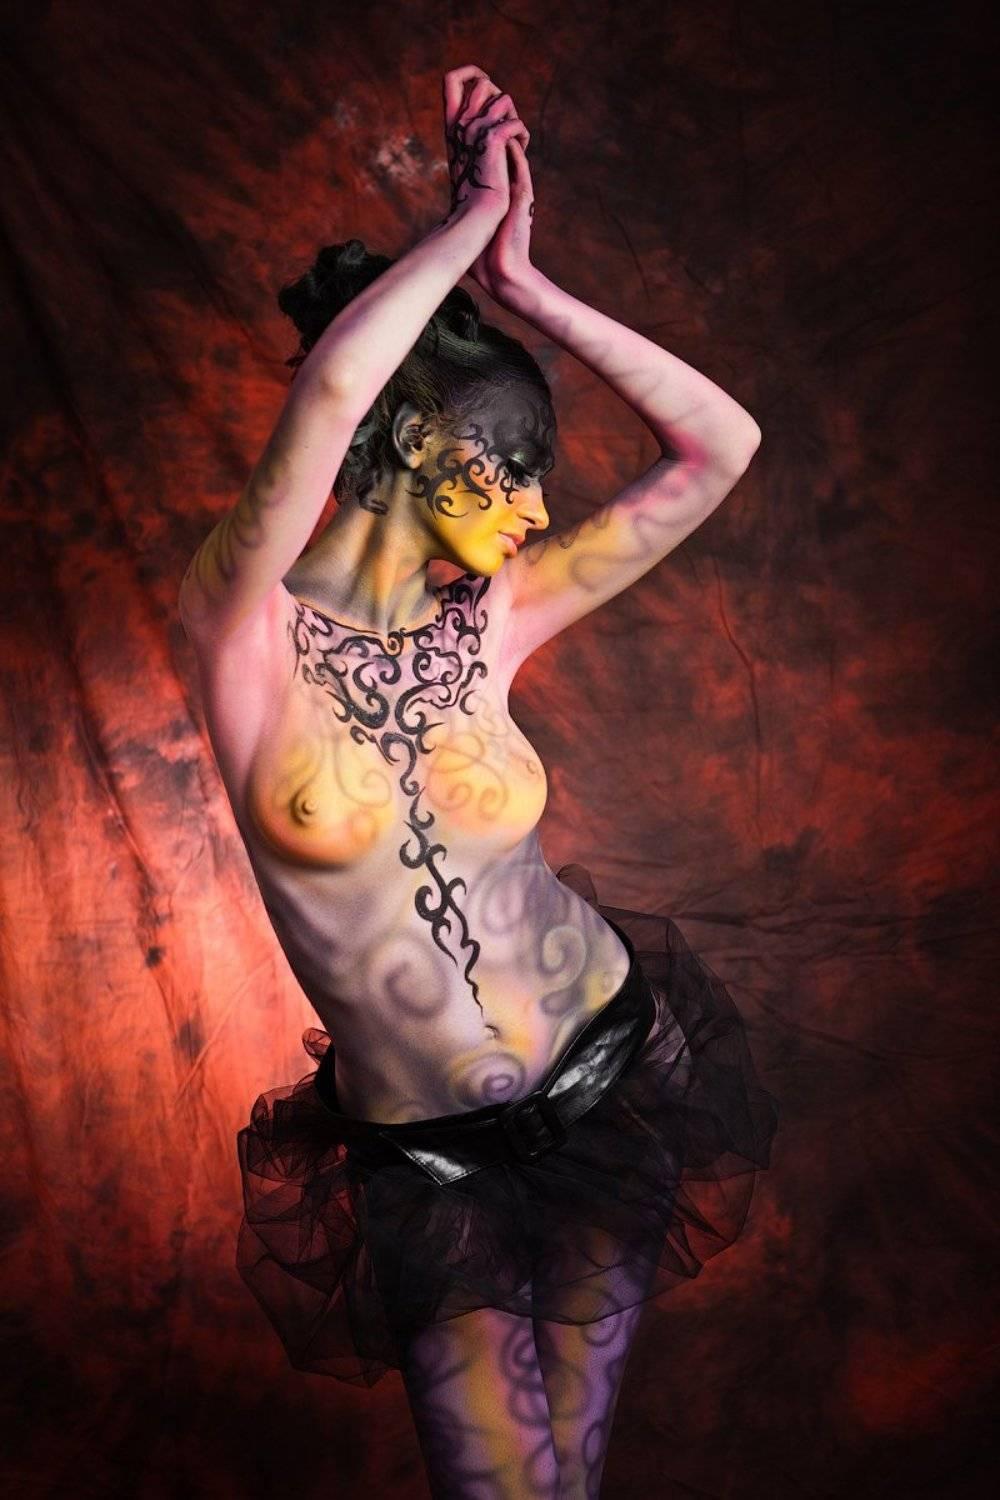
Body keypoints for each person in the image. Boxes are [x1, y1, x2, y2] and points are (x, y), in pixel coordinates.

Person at [179, 64, 779, 1500]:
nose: (536, 507)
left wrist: (525, 285)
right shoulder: (240, 635)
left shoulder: (492, 621)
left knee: (566, 1485)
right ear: (411, 443)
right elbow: (335, 389)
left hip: (613, 1078)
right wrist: (457, 229)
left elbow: (722, 447)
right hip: (429, 1164)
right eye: (512, 466)